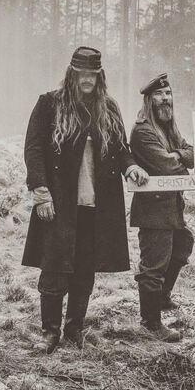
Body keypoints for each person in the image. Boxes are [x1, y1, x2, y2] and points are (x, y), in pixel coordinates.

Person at [22, 46, 149, 354]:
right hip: (59, 203)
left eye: (93, 73)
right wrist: (40, 192)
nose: (87, 79)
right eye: (82, 73)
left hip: (96, 205)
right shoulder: (49, 104)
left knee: (85, 268)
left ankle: (74, 329)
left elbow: (120, 149)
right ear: (72, 73)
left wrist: (131, 166)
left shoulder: (108, 107)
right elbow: (34, 148)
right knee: (54, 266)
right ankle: (49, 331)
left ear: (99, 75)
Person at [130, 74, 194, 342]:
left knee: (183, 245)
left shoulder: (169, 128)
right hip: (153, 210)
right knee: (154, 265)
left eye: (168, 93)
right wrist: (180, 158)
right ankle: (151, 322)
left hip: (172, 208)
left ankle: (162, 297)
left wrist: (179, 155)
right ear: (149, 99)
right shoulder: (143, 130)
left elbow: (192, 153)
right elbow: (167, 166)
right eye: (159, 94)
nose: (165, 98)